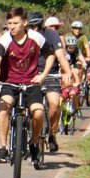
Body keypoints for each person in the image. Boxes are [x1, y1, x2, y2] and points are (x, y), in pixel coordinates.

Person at [0, 7, 56, 166]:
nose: (12, 27)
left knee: (38, 112)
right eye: (9, 23)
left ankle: (33, 143)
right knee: (4, 107)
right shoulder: (5, 39)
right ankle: (3, 148)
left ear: (24, 23)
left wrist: (43, 75)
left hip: (31, 82)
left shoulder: (35, 37)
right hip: (10, 82)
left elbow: (51, 55)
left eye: (15, 23)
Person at [31, 13, 74, 152]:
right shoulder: (24, 35)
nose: (34, 29)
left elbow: (60, 55)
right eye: (31, 26)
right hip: (31, 75)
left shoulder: (52, 35)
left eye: (37, 26)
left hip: (51, 73)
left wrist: (67, 72)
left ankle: (52, 134)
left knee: (54, 104)